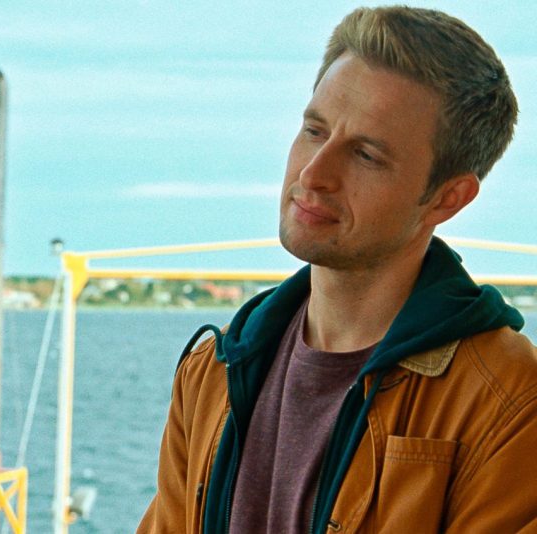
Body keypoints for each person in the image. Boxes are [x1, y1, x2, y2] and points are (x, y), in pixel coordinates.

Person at [139, 6, 537, 534]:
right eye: (314, 130)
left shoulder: (511, 403)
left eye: (366, 155)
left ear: (447, 198)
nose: (314, 172)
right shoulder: (211, 371)